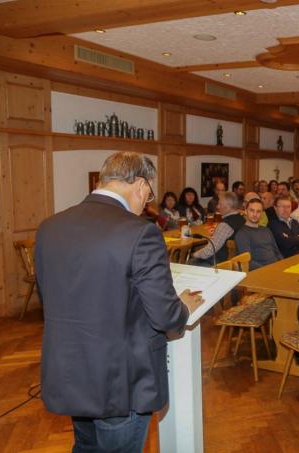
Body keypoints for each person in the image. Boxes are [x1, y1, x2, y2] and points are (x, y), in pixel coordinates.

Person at [34, 152, 203, 452]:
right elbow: (164, 315)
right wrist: (185, 306)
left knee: (85, 446)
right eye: (148, 196)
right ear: (140, 185)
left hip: (72, 368)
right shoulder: (140, 232)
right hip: (120, 379)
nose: (146, 205)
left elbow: (52, 298)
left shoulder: (50, 226)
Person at [190, 192, 245, 265]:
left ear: (228, 207)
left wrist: (193, 255)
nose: (217, 207)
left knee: (190, 261)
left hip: (219, 263)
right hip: (237, 260)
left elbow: (210, 250)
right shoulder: (243, 219)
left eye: (220, 204)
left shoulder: (225, 225)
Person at [235, 198, 283, 270]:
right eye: (252, 210)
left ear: (262, 214)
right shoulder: (242, 234)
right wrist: (268, 269)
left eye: (258, 211)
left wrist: (282, 264)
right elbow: (248, 261)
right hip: (260, 272)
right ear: (246, 211)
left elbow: (277, 251)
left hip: (276, 268)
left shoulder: (266, 230)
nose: (255, 214)